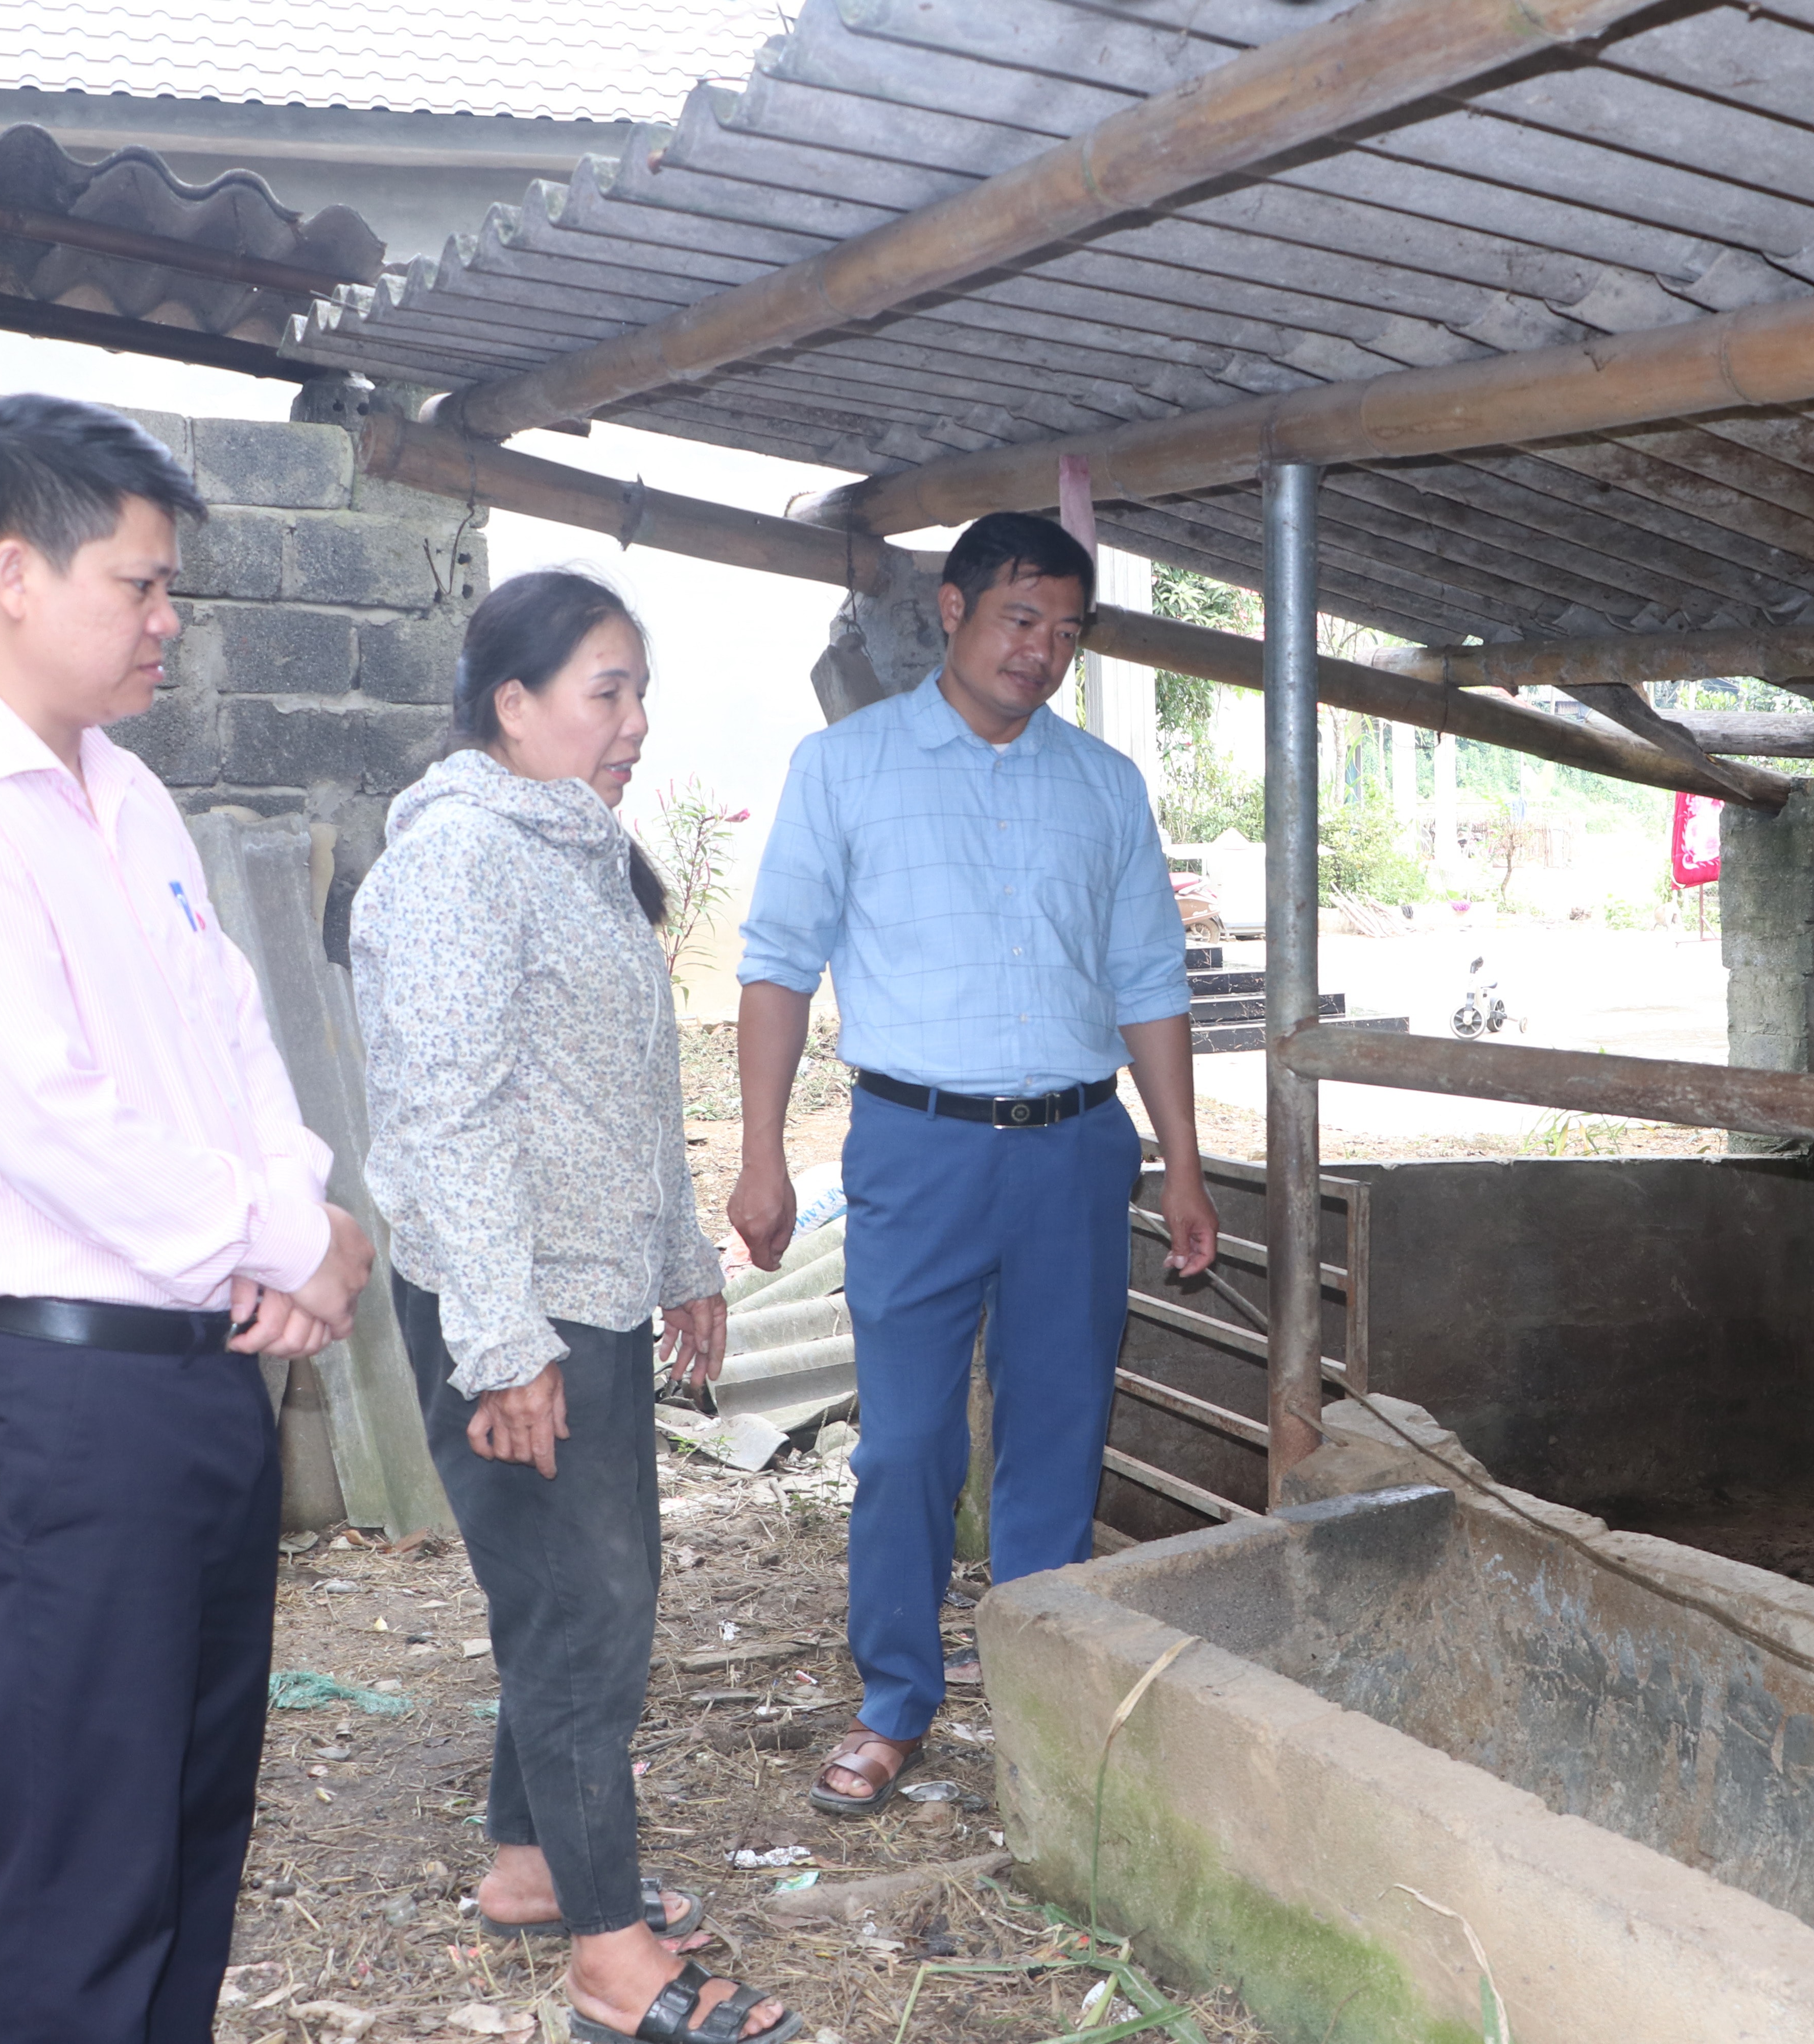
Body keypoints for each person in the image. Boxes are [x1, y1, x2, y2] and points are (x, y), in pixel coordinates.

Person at [0, 393, 376, 2041]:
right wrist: (279, 1248)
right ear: (13, 577)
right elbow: (49, 1120)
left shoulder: (123, 796)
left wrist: (302, 1227)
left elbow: (232, 1035)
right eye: (139, 584)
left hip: (194, 1376)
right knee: (86, 1855)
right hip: (56, 1401)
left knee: (194, 1824)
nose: (166, 620)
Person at [352, 570, 792, 2044]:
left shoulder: (573, 852)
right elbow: (447, 1121)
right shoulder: (458, 864)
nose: (635, 723)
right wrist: (502, 1346)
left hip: (583, 1295)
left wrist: (680, 1255)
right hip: (514, 1311)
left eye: (639, 691)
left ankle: (535, 1869)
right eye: (606, 691)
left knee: (573, 1602)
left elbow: (629, 1092)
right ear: (512, 705)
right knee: (588, 1615)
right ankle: (614, 1962)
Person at [729, 512, 1219, 1817]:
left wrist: (1179, 1162)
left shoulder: (1104, 784)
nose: (1043, 652)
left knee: (1059, 1428)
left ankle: (1038, 1697)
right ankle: (895, 1698)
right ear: (952, 610)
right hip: (917, 1144)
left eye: (1066, 631)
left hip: (1075, 1146)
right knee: (906, 1442)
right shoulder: (846, 767)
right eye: (1021, 619)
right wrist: (763, 1156)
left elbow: (1148, 980)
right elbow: (777, 961)